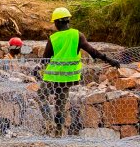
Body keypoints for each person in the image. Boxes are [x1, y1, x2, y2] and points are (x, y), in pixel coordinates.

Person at [38, 7, 119, 136]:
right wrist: (110, 60)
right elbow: (93, 52)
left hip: (52, 76)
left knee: (41, 96)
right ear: (68, 21)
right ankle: (58, 133)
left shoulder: (53, 38)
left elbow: (45, 60)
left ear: (57, 22)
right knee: (60, 103)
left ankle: (49, 122)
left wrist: (37, 70)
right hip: (69, 77)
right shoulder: (77, 35)